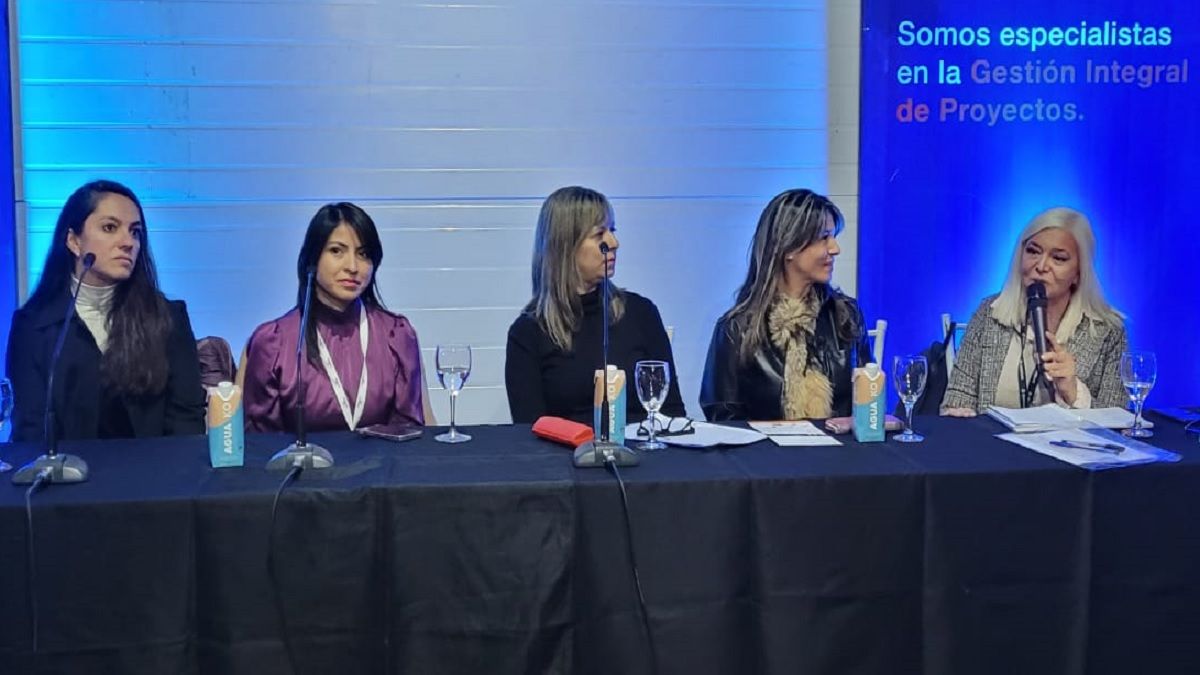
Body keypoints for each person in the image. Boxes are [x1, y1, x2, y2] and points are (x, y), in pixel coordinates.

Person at [5, 180, 206, 441]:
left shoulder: (168, 318)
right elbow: (29, 429)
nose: (128, 242)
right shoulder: (33, 325)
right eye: (110, 228)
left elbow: (186, 424)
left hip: (156, 466)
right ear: (74, 241)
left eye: (135, 232)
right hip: (66, 467)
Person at [505, 186, 685, 425]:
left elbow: (672, 412)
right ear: (566, 246)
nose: (614, 242)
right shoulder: (529, 332)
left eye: (612, 230)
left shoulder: (641, 313)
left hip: (642, 446)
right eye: (600, 234)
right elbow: (529, 429)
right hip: (567, 448)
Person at [241, 202, 425, 432]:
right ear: (312, 259)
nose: (352, 267)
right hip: (301, 457)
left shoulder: (396, 335)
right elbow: (260, 443)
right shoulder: (274, 342)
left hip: (385, 456)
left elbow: (409, 434)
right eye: (337, 251)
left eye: (363, 254)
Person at [700, 188, 871, 421]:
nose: (835, 249)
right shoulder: (735, 329)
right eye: (824, 237)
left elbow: (869, 403)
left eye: (833, 237)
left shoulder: (846, 316)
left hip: (839, 445)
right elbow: (723, 418)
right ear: (789, 247)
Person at [942, 207, 1127, 415]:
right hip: (992, 436)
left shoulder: (1108, 331)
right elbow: (957, 397)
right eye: (1033, 251)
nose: (1041, 266)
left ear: (1079, 272)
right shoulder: (989, 313)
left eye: (1059, 258)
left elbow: (1118, 419)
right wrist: (958, 414)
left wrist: (1073, 392)